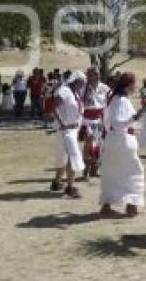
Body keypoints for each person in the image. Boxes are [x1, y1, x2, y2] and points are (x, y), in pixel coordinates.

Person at [99, 72, 145, 218]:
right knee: (133, 173)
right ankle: (131, 206)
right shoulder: (121, 101)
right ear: (128, 85)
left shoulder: (114, 99)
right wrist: (135, 117)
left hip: (113, 141)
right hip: (121, 142)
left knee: (112, 173)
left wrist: (135, 120)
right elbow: (117, 124)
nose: (135, 86)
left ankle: (106, 206)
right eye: (134, 83)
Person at [50, 71, 87, 199]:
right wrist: (63, 123)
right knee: (72, 156)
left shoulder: (74, 92)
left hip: (72, 130)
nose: (83, 84)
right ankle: (70, 187)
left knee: (63, 156)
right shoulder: (65, 90)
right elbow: (54, 107)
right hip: (66, 130)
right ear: (75, 80)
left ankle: (56, 182)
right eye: (82, 81)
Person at [81, 66, 111, 178]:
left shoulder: (104, 88)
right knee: (89, 143)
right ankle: (86, 168)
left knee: (99, 144)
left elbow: (109, 103)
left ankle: (95, 168)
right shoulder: (83, 87)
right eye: (94, 73)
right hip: (87, 119)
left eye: (98, 73)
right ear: (89, 75)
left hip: (99, 118)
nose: (97, 75)